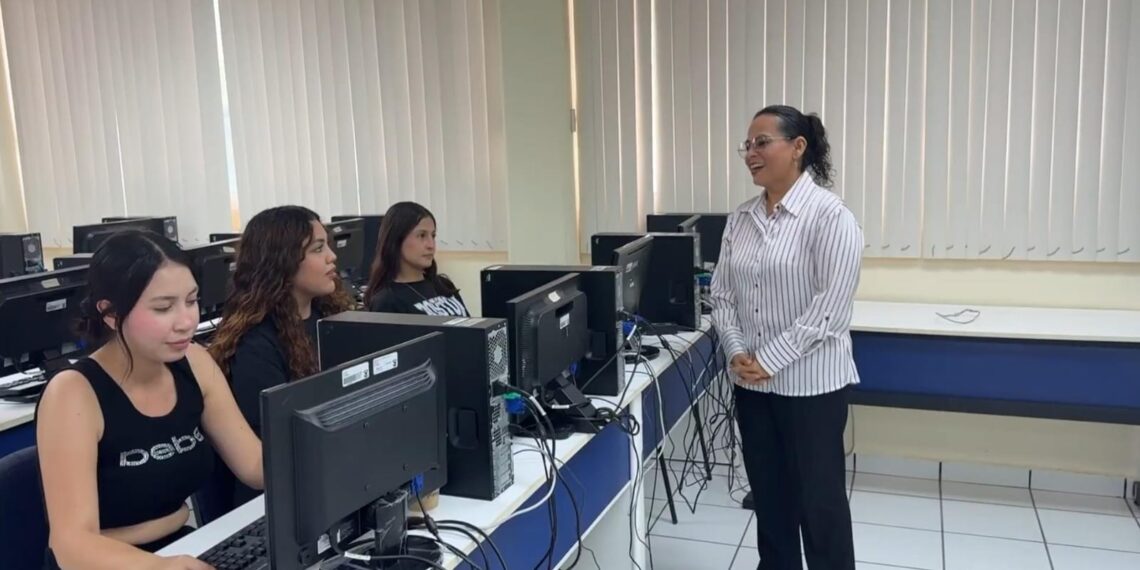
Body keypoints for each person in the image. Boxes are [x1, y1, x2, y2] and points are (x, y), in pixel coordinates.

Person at [36, 230, 263, 570]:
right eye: (163, 307)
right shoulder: (73, 394)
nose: (186, 321)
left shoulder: (196, 364)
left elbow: (255, 466)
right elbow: (71, 544)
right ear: (111, 314)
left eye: (191, 300)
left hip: (184, 544)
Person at [711, 105, 862, 570]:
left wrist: (770, 358)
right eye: (747, 145)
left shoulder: (830, 217)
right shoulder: (740, 220)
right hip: (753, 387)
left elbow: (831, 308)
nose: (750, 154)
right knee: (771, 501)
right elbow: (721, 294)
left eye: (762, 143)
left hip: (811, 386)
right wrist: (738, 352)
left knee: (820, 506)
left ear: (798, 148)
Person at [208, 206, 354, 502]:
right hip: (279, 498)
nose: (332, 256)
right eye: (318, 248)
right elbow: (275, 448)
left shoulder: (334, 319)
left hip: (334, 475)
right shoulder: (255, 344)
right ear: (283, 261)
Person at [364, 202, 469, 317]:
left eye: (433, 236)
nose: (431, 245)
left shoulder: (443, 285)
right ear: (397, 240)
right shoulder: (387, 301)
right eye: (422, 235)